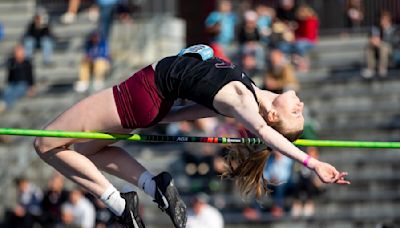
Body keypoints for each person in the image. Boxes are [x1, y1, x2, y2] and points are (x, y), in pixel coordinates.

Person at [34, 44, 350, 228]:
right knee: (85, 153)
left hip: (140, 93)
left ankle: (118, 205)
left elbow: (266, 134)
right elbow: (190, 113)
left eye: (296, 113)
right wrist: (148, 120)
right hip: (149, 104)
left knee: (45, 143)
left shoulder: (243, 101)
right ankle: (151, 187)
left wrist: (312, 163)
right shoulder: (246, 92)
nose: (301, 104)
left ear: (273, 116)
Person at [0, 44, 35, 113]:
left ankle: (4, 105)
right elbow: (4, 65)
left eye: (19, 51)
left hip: (23, 84)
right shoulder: (12, 61)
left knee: (16, 91)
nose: (17, 53)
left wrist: (32, 87)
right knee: (7, 91)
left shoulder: (27, 63)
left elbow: (30, 76)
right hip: (12, 83)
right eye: (16, 51)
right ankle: (2, 103)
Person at [362, 11, 397, 78]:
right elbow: (372, 37)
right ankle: (370, 69)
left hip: (391, 49)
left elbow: (394, 42)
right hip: (378, 48)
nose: (382, 21)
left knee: (384, 47)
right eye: (382, 19)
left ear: (388, 19)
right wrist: (373, 41)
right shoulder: (378, 28)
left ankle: (382, 69)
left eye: (384, 19)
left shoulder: (394, 29)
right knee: (369, 46)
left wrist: (381, 43)